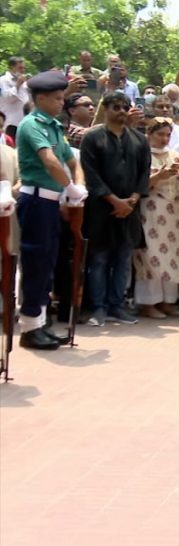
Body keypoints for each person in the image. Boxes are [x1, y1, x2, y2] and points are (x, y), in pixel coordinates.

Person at [14, 72, 87, 349]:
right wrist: (70, 186)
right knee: (36, 262)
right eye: (56, 98)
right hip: (35, 200)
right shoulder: (31, 124)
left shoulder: (55, 126)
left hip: (51, 202)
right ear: (41, 98)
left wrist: (78, 187)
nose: (61, 103)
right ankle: (30, 327)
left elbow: (72, 161)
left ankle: (41, 322)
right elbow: (50, 161)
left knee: (48, 263)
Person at [79, 92, 148, 327]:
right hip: (101, 209)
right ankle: (98, 307)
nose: (121, 111)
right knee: (99, 260)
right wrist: (115, 201)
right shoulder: (92, 138)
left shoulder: (139, 140)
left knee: (123, 259)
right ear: (106, 109)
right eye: (116, 107)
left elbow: (144, 174)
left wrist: (133, 200)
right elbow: (91, 174)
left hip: (130, 210)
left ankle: (117, 306)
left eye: (125, 107)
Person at [134, 118, 179, 319]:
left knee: (173, 255)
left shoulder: (175, 155)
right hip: (151, 211)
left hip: (174, 213)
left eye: (168, 135)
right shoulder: (142, 155)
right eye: (160, 134)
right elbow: (137, 185)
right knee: (151, 256)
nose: (164, 139)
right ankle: (148, 303)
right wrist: (159, 176)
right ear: (149, 134)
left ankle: (168, 301)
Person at [1, 57, 31, 139]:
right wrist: (17, 85)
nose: (23, 70)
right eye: (20, 68)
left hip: (24, 120)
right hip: (11, 121)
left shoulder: (24, 81)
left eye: (24, 68)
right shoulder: (3, 80)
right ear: (12, 67)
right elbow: (8, 98)